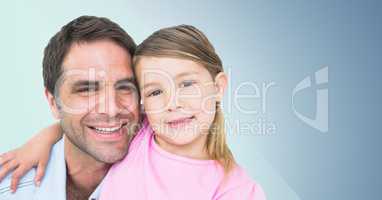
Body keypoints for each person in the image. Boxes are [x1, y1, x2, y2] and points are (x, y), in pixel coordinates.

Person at [1, 25, 266, 199]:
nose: (172, 102)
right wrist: (40, 141)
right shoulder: (145, 132)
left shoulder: (236, 189)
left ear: (218, 87)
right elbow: (81, 122)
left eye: (187, 84)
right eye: (154, 92)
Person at [0, 15, 141, 200]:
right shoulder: (10, 191)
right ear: (53, 103)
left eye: (125, 88)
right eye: (87, 90)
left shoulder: (171, 178)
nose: (112, 109)